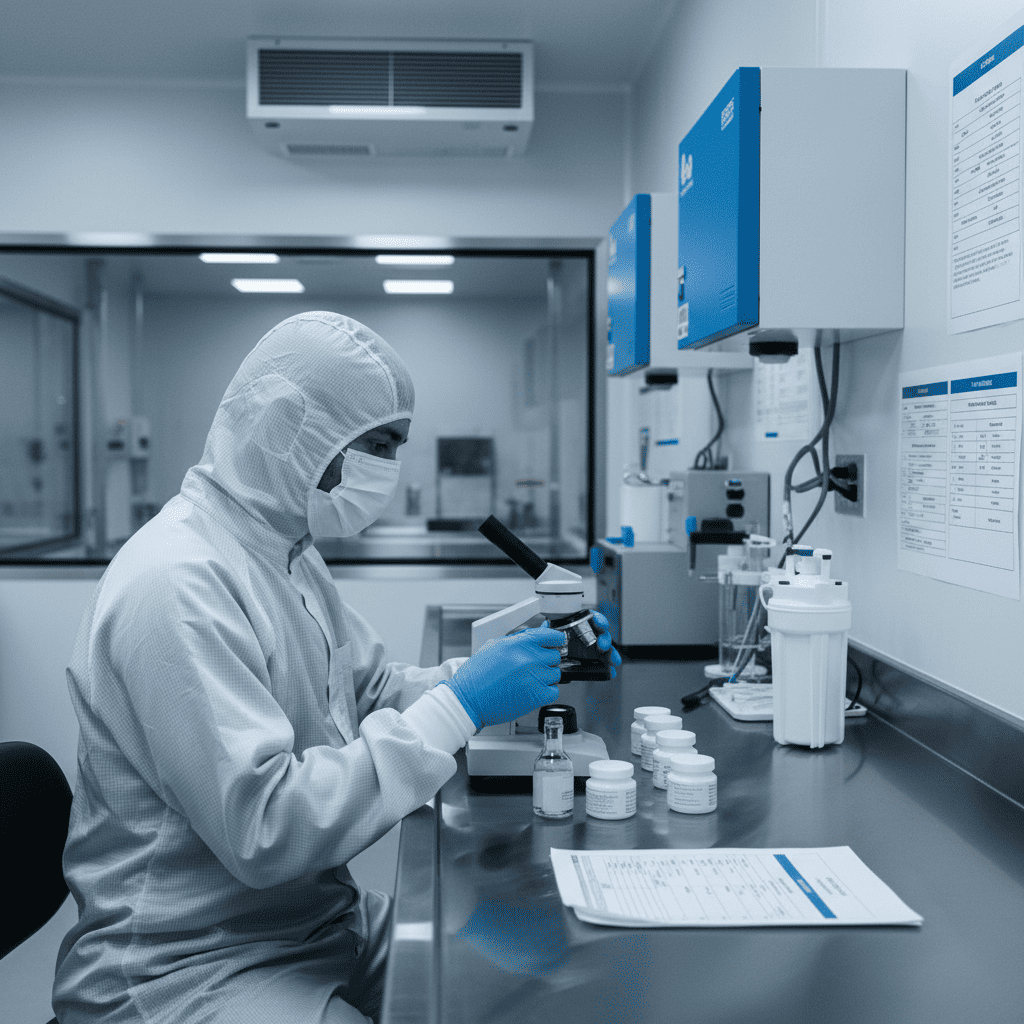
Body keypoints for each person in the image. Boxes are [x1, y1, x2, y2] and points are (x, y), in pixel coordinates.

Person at [53, 311, 619, 1024]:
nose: (387, 468)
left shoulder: (284, 552)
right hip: (186, 964)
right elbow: (267, 827)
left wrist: (514, 663)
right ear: (294, 428)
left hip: (310, 926)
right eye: (375, 445)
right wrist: (465, 704)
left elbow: (372, 694)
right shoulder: (177, 581)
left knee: (512, 986)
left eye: (395, 446)